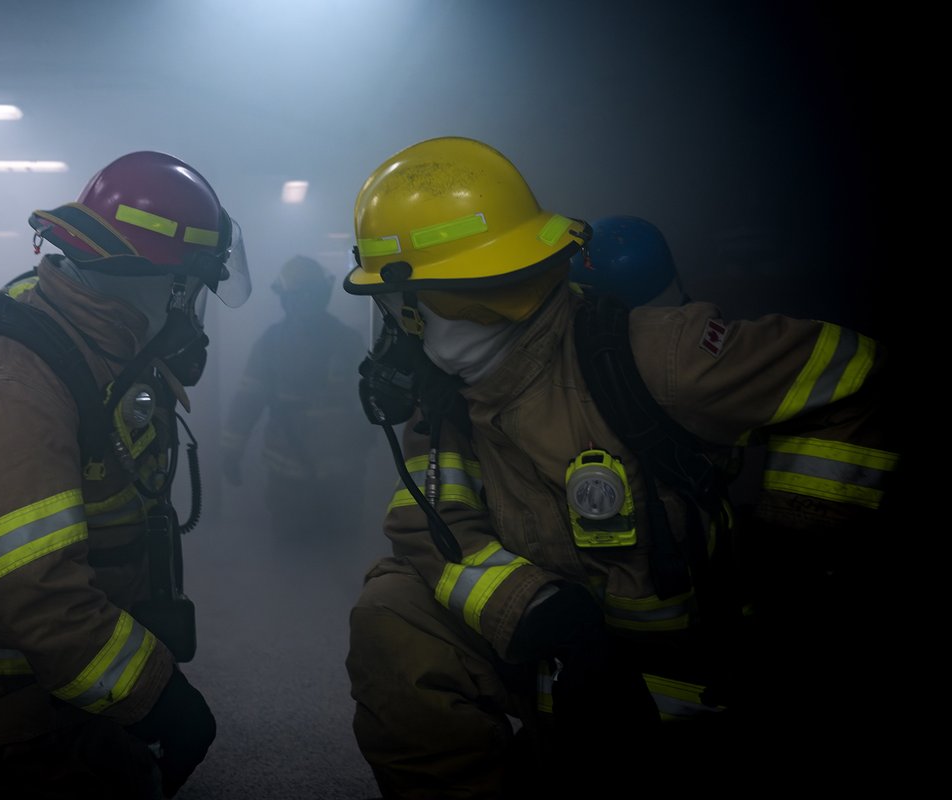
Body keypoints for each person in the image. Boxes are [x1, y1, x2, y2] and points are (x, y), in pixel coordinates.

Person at [341, 136, 900, 795]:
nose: (394, 326)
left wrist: (795, 551)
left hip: (686, 671)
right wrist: (536, 611)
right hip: (556, 659)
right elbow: (425, 521)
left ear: (445, 298)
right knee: (393, 608)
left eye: (393, 304)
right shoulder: (447, 404)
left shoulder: (653, 357)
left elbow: (850, 372)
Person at [0, 150, 251, 798]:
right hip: (3, 699)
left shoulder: (105, 345)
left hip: (68, 679)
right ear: (170, 284)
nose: (194, 311)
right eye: (196, 289)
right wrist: (160, 695)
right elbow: (40, 601)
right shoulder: (10, 390)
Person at [220, 255, 373, 550]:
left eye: (306, 296)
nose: (299, 304)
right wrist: (231, 451)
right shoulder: (272, 343)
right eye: (294, 297)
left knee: (343, 552)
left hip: (343, 478)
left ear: (320, 296)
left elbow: (373, 402)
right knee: (293, 556)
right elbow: (247, 402)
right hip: (289, 476)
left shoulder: (348, 342)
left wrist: (366, 439)